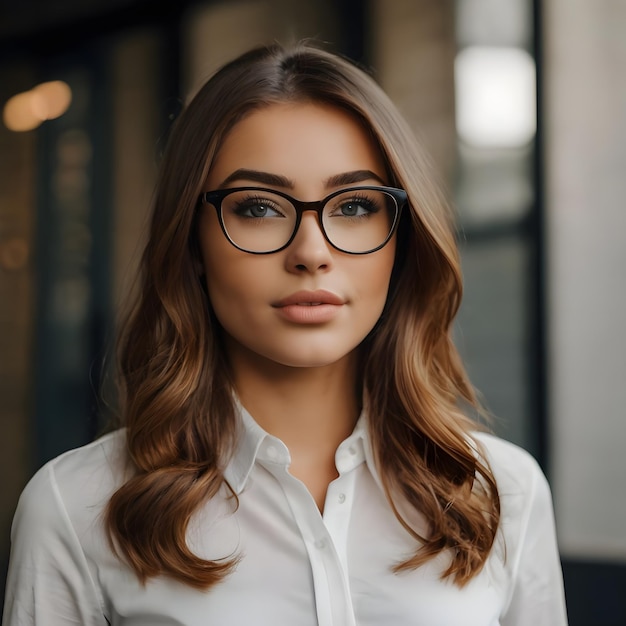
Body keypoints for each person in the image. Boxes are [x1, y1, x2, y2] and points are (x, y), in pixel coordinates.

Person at [2, 41, 568, 625]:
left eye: (353, 206)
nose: (311, 253)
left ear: (402, 240)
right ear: (192, 242)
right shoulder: (76, 508)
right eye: (258, 207)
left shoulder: (501, 492)